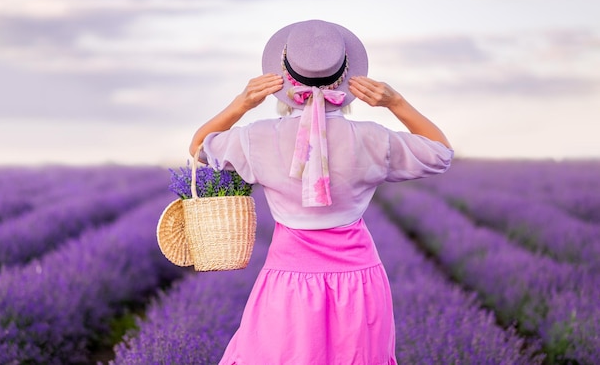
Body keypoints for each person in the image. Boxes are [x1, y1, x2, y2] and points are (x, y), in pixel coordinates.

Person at [189, 20, 453, 365]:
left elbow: (198, 147)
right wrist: (396, 102)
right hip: (359, 281)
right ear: (345, 77)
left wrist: (242, 104)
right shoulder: (373, 138)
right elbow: (440, 154)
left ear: (282, 79)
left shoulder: (256, 138)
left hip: (288, 283)